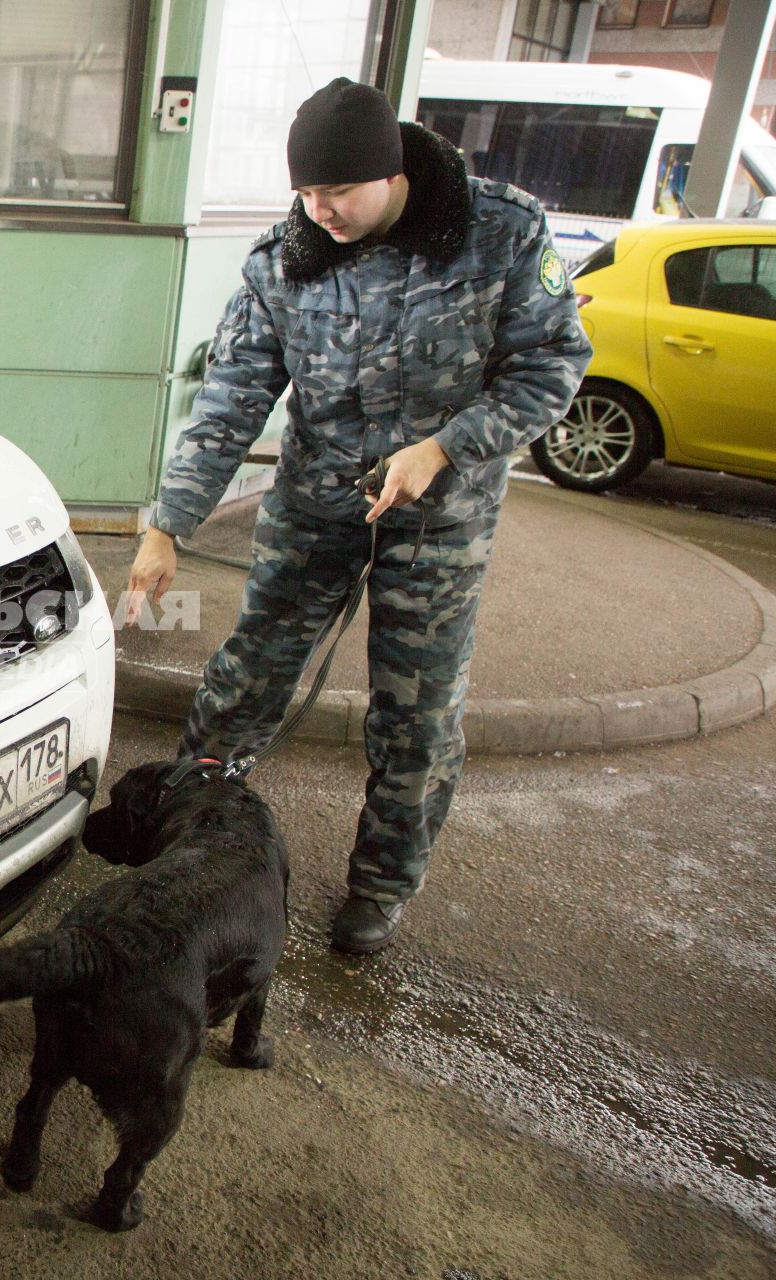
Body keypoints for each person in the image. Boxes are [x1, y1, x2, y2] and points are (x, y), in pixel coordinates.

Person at [124, 78, 590, 955]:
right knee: (243, 685)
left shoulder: (502, 231)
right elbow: (228, 400)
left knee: (414, 715)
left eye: (336, 192)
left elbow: (552, 368)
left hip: (439, 520)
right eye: (304, 191)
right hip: (317, 507)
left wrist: (444, 447)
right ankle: (182, 852)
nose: (319, 209)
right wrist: (168, 525)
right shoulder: (283, 258)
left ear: (391, 172)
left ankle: (378, 889)